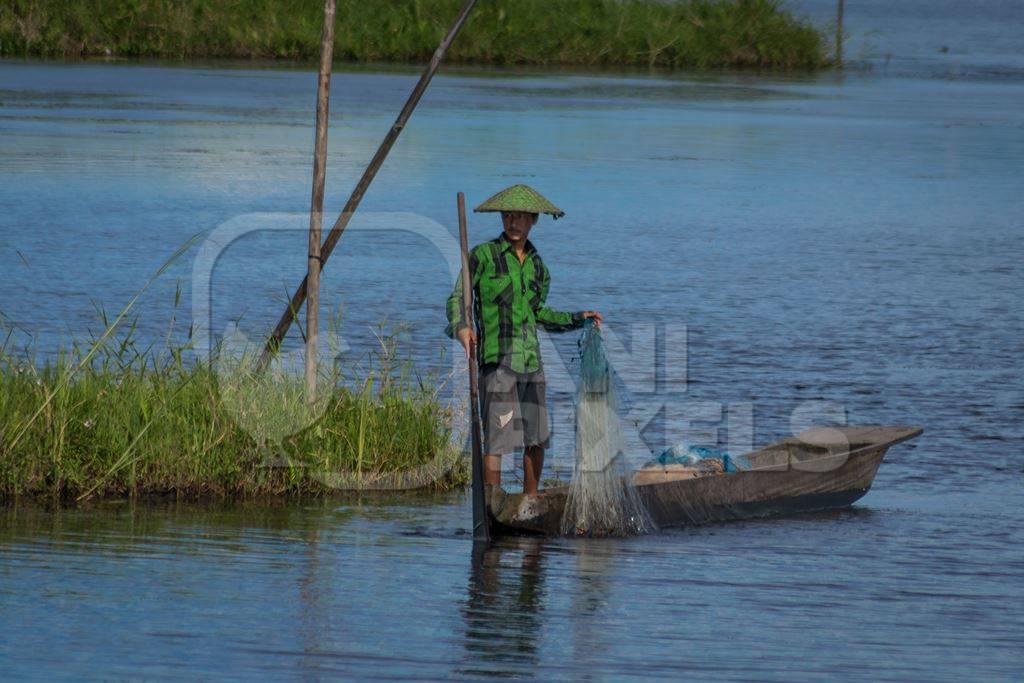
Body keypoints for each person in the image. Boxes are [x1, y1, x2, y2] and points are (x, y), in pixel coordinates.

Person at [446, 184, 602, 495]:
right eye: (508, 216)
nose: (513, 222)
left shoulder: (538, 267)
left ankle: (529, 500)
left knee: (537, 435)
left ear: (533, 220)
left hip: (531, 361)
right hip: (497, 360)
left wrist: (576, 319)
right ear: (502, 218)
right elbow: (456, 300)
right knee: (498, 435)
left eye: (520, 217)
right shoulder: (483, 257)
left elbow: (537, 313)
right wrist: (462, 328)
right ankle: (493, 503)